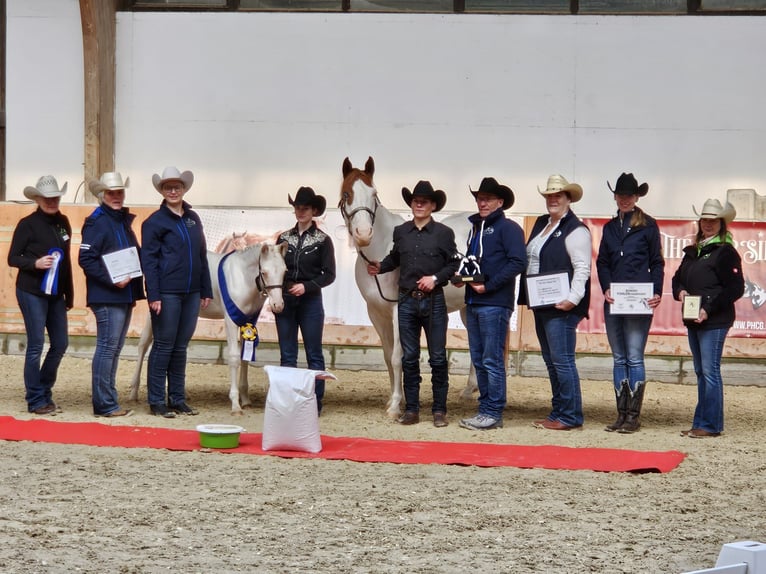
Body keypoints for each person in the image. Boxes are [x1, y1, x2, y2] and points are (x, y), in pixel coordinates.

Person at [367, 180, 460, 427]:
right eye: (416, 200)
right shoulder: (402, 232)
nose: (419, 204)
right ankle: (412, 409)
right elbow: (395, 258)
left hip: (434, 302)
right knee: (409, 357)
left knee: (438, 357)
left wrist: (436, 278)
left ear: (432, 206)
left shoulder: (443, 234)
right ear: (411, 204)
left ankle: (439, 410)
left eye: (425, 201)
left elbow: (453, 263)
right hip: (407, 300)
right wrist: (380, 267)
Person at [519, 175, 591, 431]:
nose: (552, 200)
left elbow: (582, 268)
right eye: (549, 196)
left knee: (562, 360)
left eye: (557, 195)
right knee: (552, 360)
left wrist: (573, 299)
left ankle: (570, 415)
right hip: (542, 302)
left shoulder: (577, 229)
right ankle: (560, 411)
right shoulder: (541, 224)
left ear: (568, 199)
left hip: (562, 305)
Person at [141, 167, 212, 418]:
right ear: (162, 190)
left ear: (184, 189)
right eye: (168, 187)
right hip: (168, 293)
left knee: (180, 346)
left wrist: (205, 288)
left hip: (192, 292)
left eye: (177, 187)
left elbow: (201, 255)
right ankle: (157, 400)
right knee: (163, 345)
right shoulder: (154, 222)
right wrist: (154, 295)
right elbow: (148, 261)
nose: (173, 191)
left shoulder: (193, 219)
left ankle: (177, 398)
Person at [596, 173, 665, 433]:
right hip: (614, 299)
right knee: (618, 357)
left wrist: (656, 290)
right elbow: (602, 261)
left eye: (629, 195)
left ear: (636, 197)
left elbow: (656, 262)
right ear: (616, 196)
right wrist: (605, 287)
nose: (624, 199)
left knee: (634, 357)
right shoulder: (609, 227)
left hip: (639, 300)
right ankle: (622, 414)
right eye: (621, 195)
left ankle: (633, 416)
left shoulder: (648, 225)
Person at [457, 177, 527, 431]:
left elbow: (518, 262)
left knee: (491, 359)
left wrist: (490, 285)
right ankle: (485, 408)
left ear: (500, 202)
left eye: (487, 199)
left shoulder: (508, 228)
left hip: (494, 302)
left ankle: (493, 411)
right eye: (479, 198)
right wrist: (461, 279)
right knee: (480, 358)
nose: (482, 202)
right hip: (474, 301)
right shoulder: (476, 229)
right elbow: (474, 265)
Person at [672, 198, 744, 438]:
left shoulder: (726, 252)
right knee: (702, 371)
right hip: (693, 317)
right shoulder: (693, 251)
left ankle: (710, 425)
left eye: (713, 220)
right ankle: (702, 421)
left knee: (709, 371)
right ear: (699, 222)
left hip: (714, 320)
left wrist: (709, 308)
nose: (708, 224)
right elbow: (677, 278)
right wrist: (680, 291)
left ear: (721, 223)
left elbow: (735, 288)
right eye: (705, 220)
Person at [78, 172, 145, 417]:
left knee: (113, 348)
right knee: (107, 348)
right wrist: (112, 279)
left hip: (122, 293)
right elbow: (85, 258)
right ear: (102, 195)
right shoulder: (97, 221)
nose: (116, 196)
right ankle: (104, 403)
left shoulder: (119, 221)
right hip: (107, 295)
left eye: (119, 192)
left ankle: (108, 399)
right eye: (111, 193)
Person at [8, 176, 74, 415]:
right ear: (37, 199)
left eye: (55, 197)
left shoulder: (63, 222)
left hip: (56, 293)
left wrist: (69, 295)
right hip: (31, 290)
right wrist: (35, 263)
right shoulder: (27, 224)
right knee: (36, 345)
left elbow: (65, 264)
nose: (51, 201)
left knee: (60, 343)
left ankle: (44, 389)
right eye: (47, 198)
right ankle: (35, 399)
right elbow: (13, 258)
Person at [275, 187, 336, 414]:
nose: (301, 212)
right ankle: (288, 402)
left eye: (305, 208)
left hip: (310, 302)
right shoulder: (283, 238)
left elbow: (329, 274)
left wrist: (307, 286)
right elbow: (274, 268)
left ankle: (315, 403)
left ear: (314, 211)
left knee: (314, 353)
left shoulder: (323, 240)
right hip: (287, 300)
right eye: (298, 208)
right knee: (287, 354)